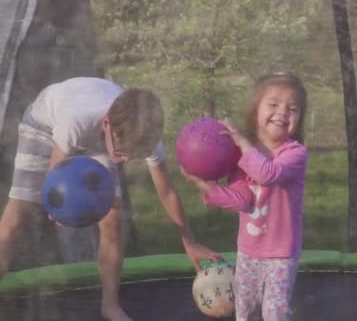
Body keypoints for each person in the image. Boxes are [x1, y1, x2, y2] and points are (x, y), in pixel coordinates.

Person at [0, 77, 222, 321]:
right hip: (43, 125)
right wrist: (57, 210)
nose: (124, 161)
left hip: (97, 141)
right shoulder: (75, 121)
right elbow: (57, 176)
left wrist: (190, 243)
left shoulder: (143, 134)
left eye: (132, 156)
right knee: (18, 215)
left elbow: (167, 192)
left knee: (113, 221)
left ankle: (110, 305)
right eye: (121, 154)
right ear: (107, 124)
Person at [180, 73, 308, 321]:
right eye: (273, 105)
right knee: (244, 310)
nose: (282, 112)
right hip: (249, 250)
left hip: (281, 253)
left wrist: (243, 145)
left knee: (274, 313)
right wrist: (204, 186)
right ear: (255, 113)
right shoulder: (242, 157)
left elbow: (267, 174)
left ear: (299, 119)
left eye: (292, 109)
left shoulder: (295, 154)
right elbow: (242, 201)